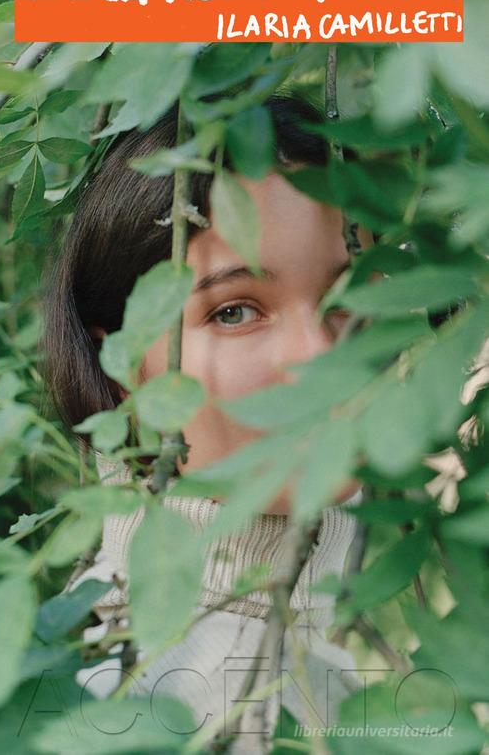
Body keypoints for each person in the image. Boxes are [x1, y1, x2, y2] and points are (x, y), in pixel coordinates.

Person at [41, 94, 372, 750]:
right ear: (121, 369)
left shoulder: (302, 666)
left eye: (346, 295)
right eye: (234, 311)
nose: (320, 355)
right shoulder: (159, 701)